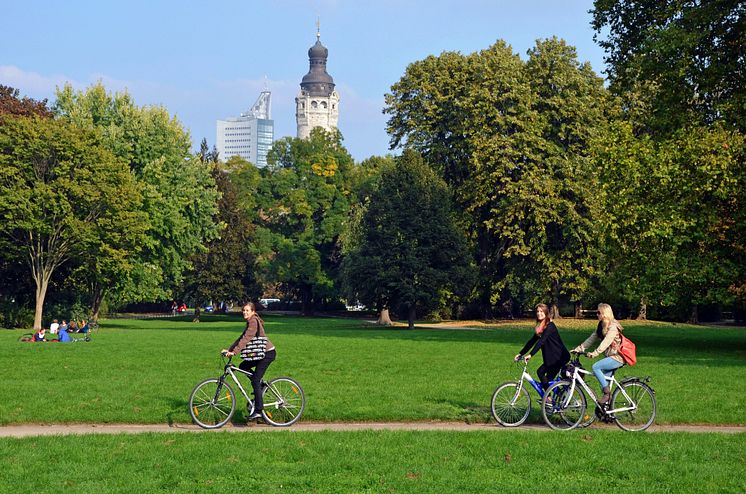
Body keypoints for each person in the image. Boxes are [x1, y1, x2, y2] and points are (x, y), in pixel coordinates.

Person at [222, 302, 276, 422]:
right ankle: (261, 387)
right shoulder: (250, 321)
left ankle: (258, 411)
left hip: (267, 354)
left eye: (247, 310)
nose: (245, 312)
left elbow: (247, 338)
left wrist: (234, 352)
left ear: (253, 311)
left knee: (255, 379)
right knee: (243, 366)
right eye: (243, 310)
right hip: (262, 353)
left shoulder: (253, 321)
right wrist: (230, 349)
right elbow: (242, 337)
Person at [572, 303, 625, 405]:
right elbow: (592, 338)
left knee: (596, 367)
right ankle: (607, 411)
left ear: (605, 314)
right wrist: (579, 349)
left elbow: (606, 343)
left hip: (618, 357)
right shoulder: (601, 326)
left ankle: (607, 394)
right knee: (603, 383)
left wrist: (595, 353)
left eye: (598, 312)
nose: (597, 314)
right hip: (610, 356)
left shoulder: (613, 327)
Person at [514, 304, 571, 391]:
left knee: (542, 374)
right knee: (546, 379)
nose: (539, 313)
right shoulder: (540, 327)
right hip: (552, 357)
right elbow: (532, 341)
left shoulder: (550, 326)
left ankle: (549, 399)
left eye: (541, 311)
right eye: (537, 311)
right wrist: (521, 353)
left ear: (546, 313)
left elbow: (541, 341)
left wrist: (530, 355)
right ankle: (553, 399)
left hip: (559, 357)